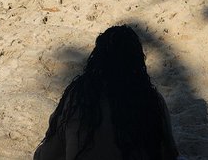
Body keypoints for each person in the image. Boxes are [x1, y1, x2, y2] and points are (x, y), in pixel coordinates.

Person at [34, 24, 179, 160]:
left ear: (97, 59)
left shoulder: (78, 98)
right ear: (138, 62)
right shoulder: (152, 100)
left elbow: (48, 154)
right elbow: (170, 153)